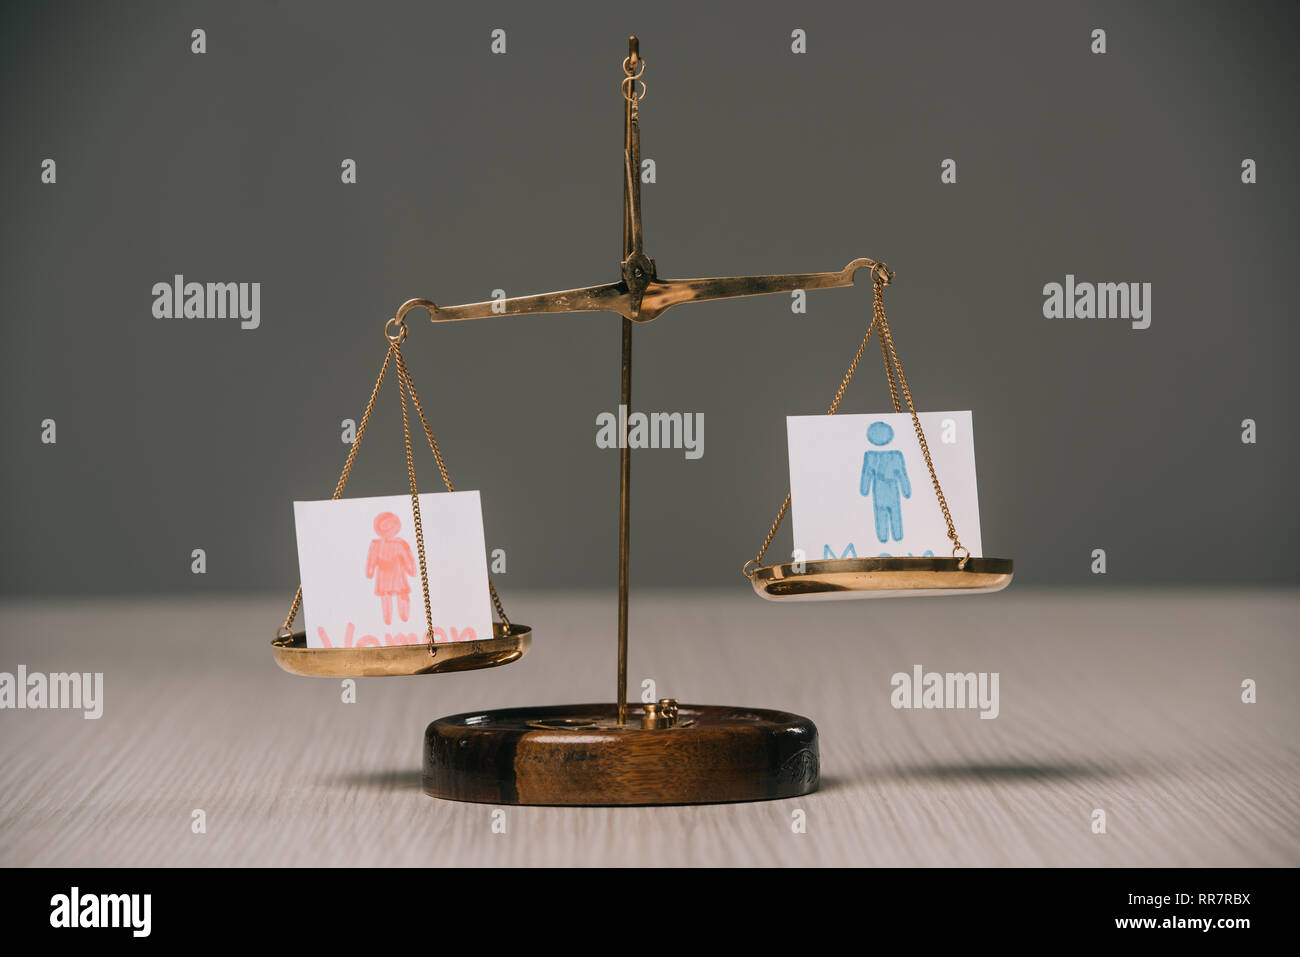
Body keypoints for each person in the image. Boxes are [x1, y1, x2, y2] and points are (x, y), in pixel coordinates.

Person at [860, 421, 911, 543]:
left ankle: (885, 536)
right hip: (890, 488)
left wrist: (865, 489)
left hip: (880, 489)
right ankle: (894, 535)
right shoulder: (895, 456)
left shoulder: (871, 456)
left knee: (882, 513)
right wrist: (906, 490)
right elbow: (902, 475)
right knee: (893, 512)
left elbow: (867, 475)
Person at [365, 511, 415, 625]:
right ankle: (387, 620)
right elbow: (371, 559)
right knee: (386, 597)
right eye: (384, 526)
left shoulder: (400, 543)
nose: (388, 529)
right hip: (384, 576)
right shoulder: (376, 544)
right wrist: (370, 571)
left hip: (398, 574)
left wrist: (411, 569)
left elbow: (407, 558)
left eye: (390, 525)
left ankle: (405, 617)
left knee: (402, 595)